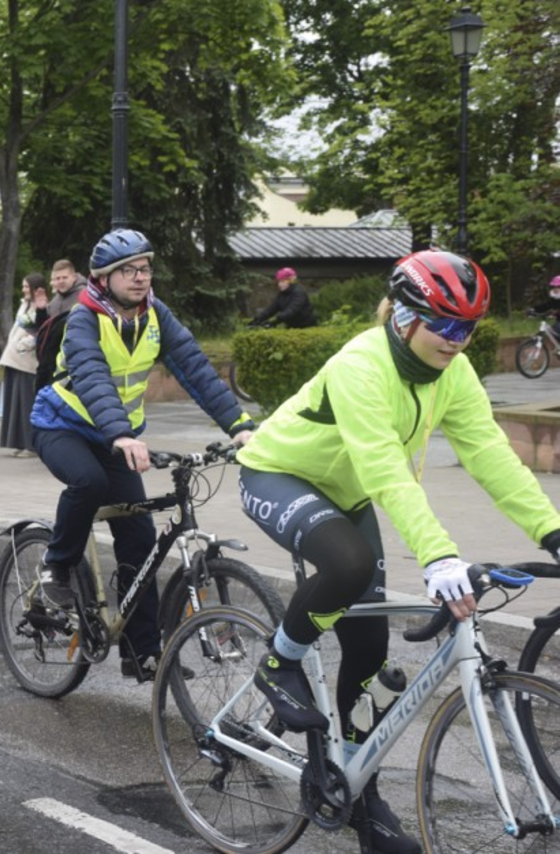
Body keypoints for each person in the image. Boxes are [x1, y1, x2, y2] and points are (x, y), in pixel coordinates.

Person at [237, 250, 560, 853]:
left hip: (348, 495)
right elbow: (385, 468)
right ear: (405, 316)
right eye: (445, 324)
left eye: (468, 328)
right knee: (348, 564)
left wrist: (552, 531)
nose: (457, 340)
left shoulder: (453, 373)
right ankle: (279, 663)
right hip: (278, 474)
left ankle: (360, 796)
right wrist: (437, 556)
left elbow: (490, 455)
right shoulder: (361, 364)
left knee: (369, 651)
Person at [30, 229, 255, 681]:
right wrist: (121, 434)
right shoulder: (84, 319)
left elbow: (195, 369)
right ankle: (56, 567)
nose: (140, 277)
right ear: (103, 277)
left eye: (145, 268)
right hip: (62, 427)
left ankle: (143, 653)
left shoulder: (155, 314)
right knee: (89, 482)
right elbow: (92, 376)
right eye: (128, 270)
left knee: (139, 539)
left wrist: (240, 426)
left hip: (118, 437)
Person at [0, 272, 48, 456]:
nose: (24, 290)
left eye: (26, 286)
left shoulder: (42, 308)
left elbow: (39, 332)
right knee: (15, 405)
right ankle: (19, 442)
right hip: (14, 361)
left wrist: (22, 345)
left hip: (27, 363)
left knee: (27, 404)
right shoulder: (24, 305)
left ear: (36, 288)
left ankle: (31, 445)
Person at [36, 259, 87, 391]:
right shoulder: (55, 301)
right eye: (57, 278)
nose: (61, 281)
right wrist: (41, 311)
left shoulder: (85, 297)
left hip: (76, 360)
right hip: (53, 363)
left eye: (65, 277)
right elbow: (45, 333)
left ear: (74, 277)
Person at [250, 266, 316, 328]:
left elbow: (291, 311)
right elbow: (271, 309)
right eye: (279, 281)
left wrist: (274, 322)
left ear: (291, 281)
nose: (279, 284)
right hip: (291, 327)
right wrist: (257, 320)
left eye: (282, 281)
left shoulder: (299, 293)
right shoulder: (282, 294)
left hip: (306, 327)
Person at [526, 275, 560, 341]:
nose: (556, 289)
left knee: (557, 328)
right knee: (554, 329)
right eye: (554, 287)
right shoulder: (555, 298)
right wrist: (533, 310)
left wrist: (556, 312)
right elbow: (546, 306)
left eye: (558, 287)